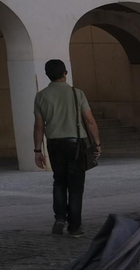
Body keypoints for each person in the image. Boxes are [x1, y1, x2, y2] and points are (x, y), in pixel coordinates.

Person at [32, 59, 102, 237]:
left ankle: (60, 218)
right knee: (76, 186)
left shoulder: (41, 96)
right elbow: (90, 120)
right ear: (65, 73)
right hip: (76, 144)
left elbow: (39, 126)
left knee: (59, 181)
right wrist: (97, 143)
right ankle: (75, 227)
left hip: (54, 144)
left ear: (48, 75)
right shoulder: (77, 93)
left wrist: (38, 151)